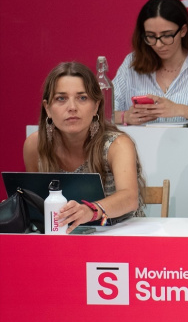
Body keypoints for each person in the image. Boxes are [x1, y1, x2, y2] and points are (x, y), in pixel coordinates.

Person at [23, 62, 145, 231]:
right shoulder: (35, 145)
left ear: (96, 106)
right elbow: (36, 201)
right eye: (61, 98)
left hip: (120, 233)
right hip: (61, 235)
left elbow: (129, 198)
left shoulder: (117, 144)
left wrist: (90, 210)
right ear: (48, 108)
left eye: (82, 98)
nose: (72, 108)